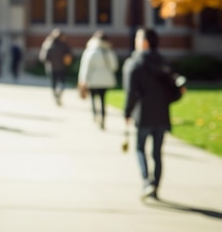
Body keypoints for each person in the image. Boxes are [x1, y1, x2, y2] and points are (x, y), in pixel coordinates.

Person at [123, 27, 185, 200]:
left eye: (137, 38)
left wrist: (126, 113)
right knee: (157, 153)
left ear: (144, 42)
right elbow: (174, 93)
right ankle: (155, 186)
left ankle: (146, 182)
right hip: (161, 116)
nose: (135, 41)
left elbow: (131, 93)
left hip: (143, 116)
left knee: (140, 149)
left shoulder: (135, 64)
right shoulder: (164, 63)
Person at [77, 30, 118, 130]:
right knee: (103, 100)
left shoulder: (90, 51)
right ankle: (103, 117)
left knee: (93, 98)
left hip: (93, 80)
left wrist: (83, 80)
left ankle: (95, 114)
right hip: (105, 80)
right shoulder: (109, 52)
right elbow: (114, 66)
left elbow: (85, 68)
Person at [38, 28, 73, 106]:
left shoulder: (48, 44)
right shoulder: (64, 45)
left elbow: (43, 58)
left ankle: (55, 95)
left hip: (51, 67)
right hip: (62, 67)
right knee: (62, 83)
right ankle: (58, 94)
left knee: (53, 83)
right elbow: (69, 56)